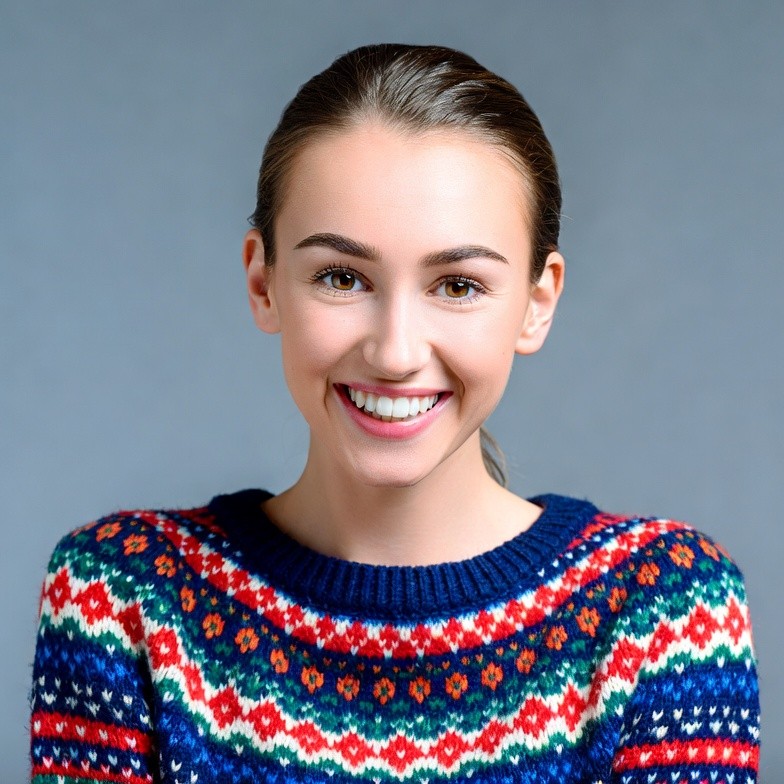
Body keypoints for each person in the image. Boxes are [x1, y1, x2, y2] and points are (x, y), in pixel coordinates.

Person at [29, 44, 760, 783]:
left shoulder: (664, 608)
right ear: (263, 282)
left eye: (458, 285)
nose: (395, 352)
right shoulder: (124, 595)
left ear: (537, 303)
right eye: (341, 278)